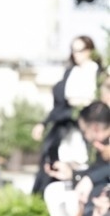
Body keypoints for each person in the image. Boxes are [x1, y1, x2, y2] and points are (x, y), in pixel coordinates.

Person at [32, 35, 100, 195]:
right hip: (65, 125)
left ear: (89, 50)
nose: (76, 54)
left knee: (84, 163)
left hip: (88, 126)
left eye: (80, 50)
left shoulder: (98, 72)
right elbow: (59, 105)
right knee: (56, 162)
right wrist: (43, 123)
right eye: (73, 51)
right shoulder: (70, 72)